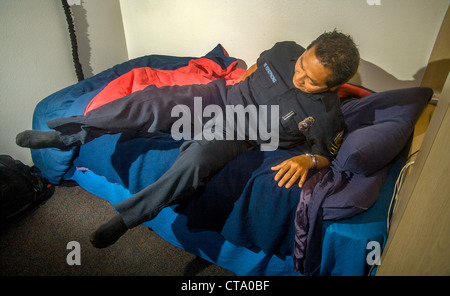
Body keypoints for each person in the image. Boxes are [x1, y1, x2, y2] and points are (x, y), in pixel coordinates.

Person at [16, 30, 360, 248]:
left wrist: (308, 160)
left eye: (310, 80)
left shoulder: (328, 114)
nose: (299, 76)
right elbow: (258, 67)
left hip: (245, 130)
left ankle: (129, 217)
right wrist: (239, 79)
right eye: (301, 65)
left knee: (195, 161)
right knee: (149, 101)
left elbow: (328, 154)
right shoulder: (286, 48)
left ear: (332, 86)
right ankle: (70, 135)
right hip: (218, 96)